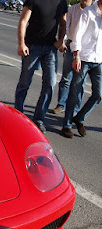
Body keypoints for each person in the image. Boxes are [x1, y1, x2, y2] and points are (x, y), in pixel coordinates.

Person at [14, 0, 67, 133]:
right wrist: (21, 44)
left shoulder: (62, 2)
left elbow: (63, 23)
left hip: (50, 49)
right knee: (24, 83)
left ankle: (39, 119)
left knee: (50, 84)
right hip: (32, 47)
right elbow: (23, 21)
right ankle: (18, 116)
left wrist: (60, 41)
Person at [61, 0, 102, 138]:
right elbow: (77, 35)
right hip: (83, 58)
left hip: (98, 60)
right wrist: (76, 55)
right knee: (75, 91)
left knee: (98, 94)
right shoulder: (88, 13)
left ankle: (79, 118)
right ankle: (66, 125)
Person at [53, 0, 94, 115]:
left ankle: (75, 110)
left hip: (86, 50)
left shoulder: (95, 12)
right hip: (71, 46)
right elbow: (65, 25)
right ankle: (61, 104)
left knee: (80, 81)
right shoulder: (73, 9)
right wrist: (62, 41)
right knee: (66, 77)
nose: (83, 1)